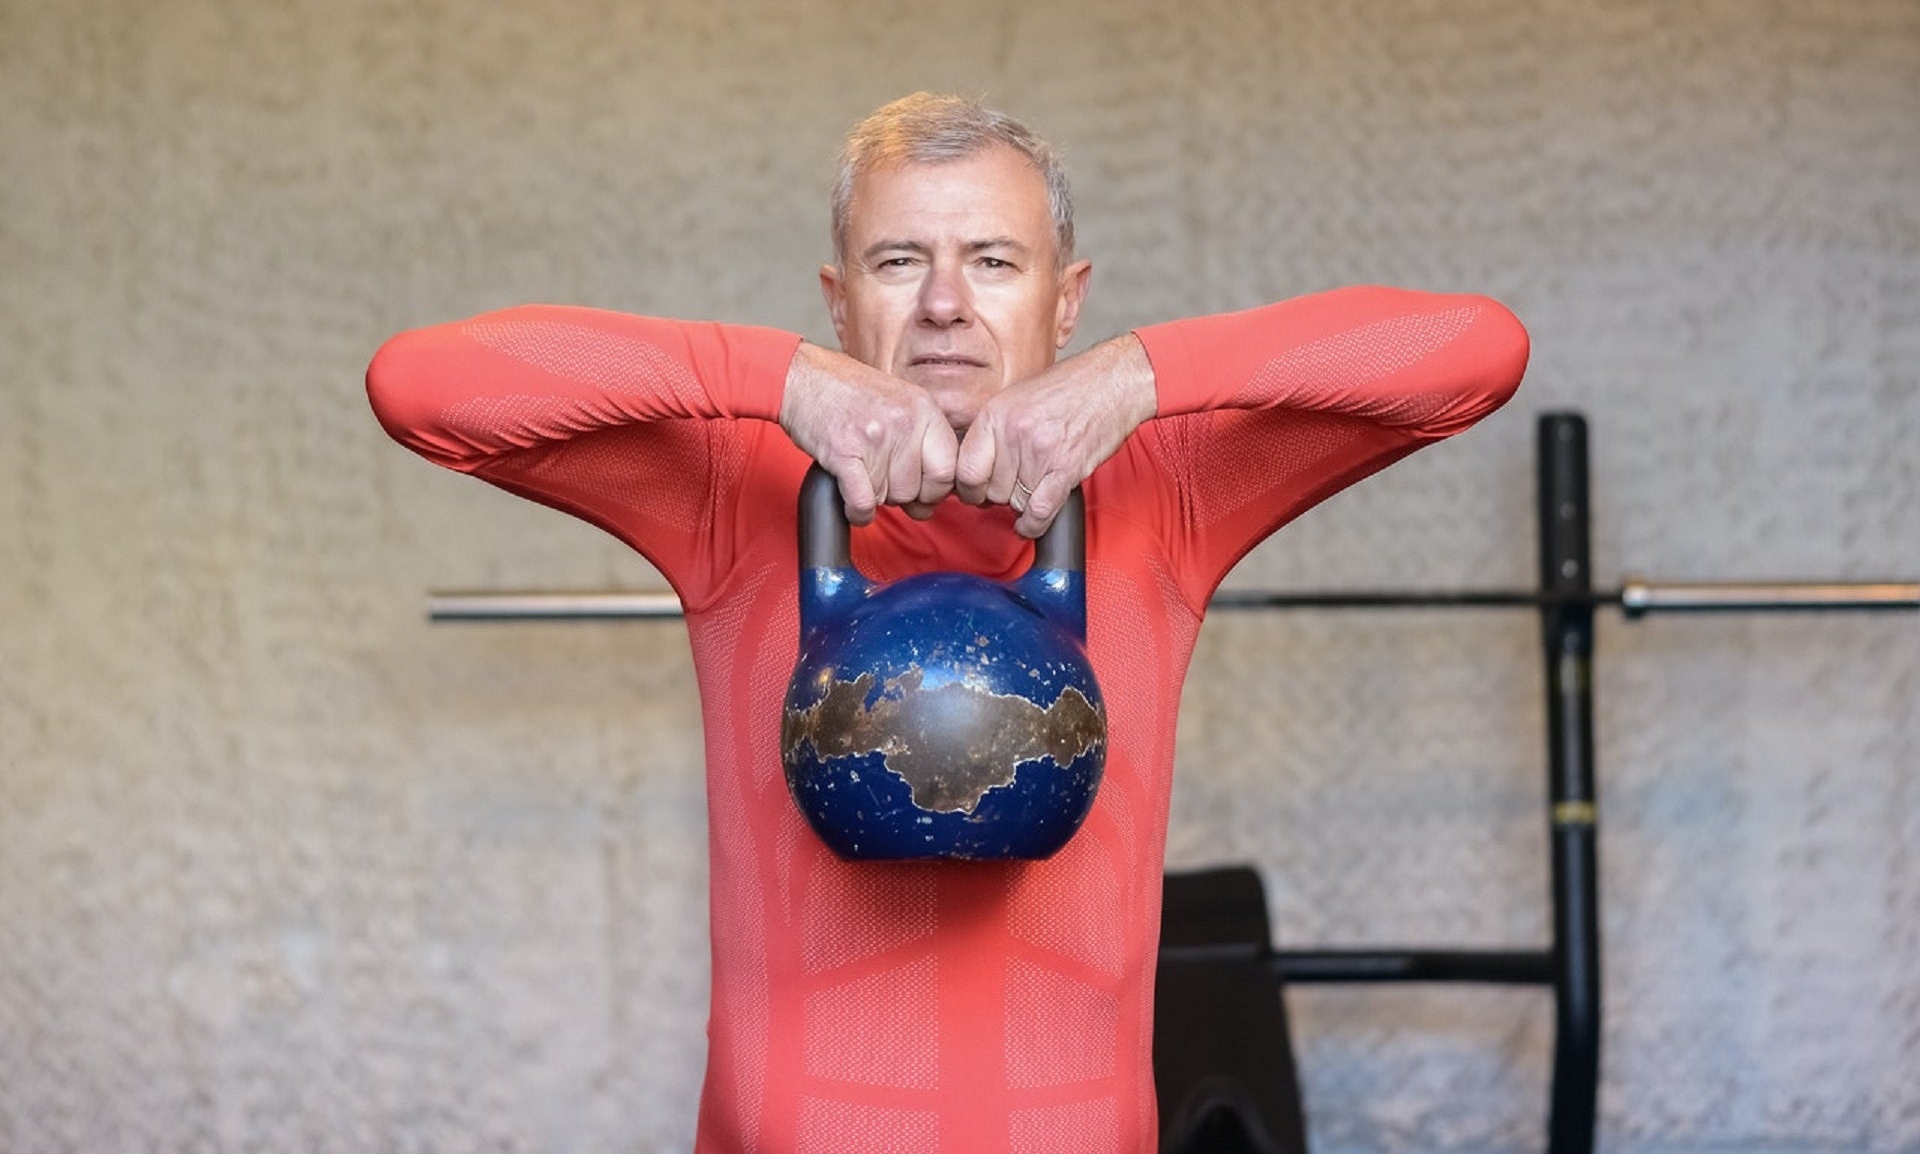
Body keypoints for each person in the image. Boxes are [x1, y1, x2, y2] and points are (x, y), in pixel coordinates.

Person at [366, 93, 1530, 1153]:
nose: (942, 304)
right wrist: (783, 380)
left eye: (994, 261)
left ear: (1066, 301)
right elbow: (422, 387)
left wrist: (1137, 374)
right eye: (898, 261)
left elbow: (1475, 351)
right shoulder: (732, 486)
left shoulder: (1166, 488)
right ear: (839, 302)